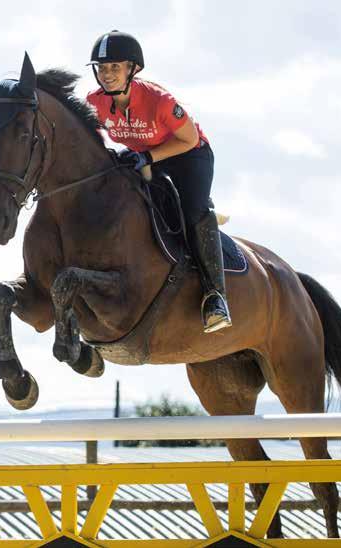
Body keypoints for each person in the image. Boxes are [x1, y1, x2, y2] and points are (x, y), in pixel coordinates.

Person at [85, 30, 231, 333]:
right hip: (144, 156)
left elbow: (189, 139)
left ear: (132, 69)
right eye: (101, 68)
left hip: (188, 155)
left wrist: (149, 158)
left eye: (114, 67)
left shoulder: (160, 101)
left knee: (192, 211)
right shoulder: (94, 103)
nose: (107, 75)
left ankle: (215, 297)